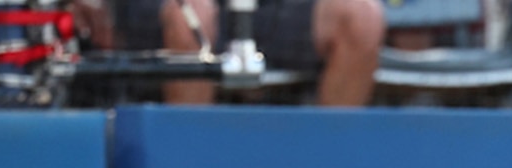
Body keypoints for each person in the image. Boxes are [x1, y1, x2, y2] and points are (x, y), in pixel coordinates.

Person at [115, 0, 385, 105]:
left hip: (278, 10)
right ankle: (188, 166)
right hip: (190, 8)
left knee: (361, 17)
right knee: (190, 18)